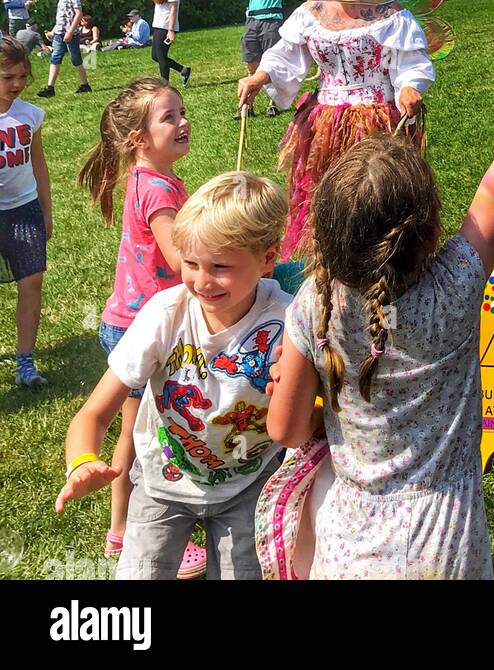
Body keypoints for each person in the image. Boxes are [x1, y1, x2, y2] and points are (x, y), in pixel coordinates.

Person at [265, 0, 494, 579]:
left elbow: (282, 427)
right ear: (428, 221)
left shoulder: (313, 304)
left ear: (324, 230)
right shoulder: (455, 289)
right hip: (444, 553)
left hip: (346, 555)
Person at [55, 172, 291, 580]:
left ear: (268, 258)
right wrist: (81, 461)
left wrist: (298, 389)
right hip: (162, 480)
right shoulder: (166, 315)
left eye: (220, 266)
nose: (201, 280)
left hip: (248, 485)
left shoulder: (290, 320)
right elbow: (93, 413)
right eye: (190, 263)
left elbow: (318, 413)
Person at [237, 0, 436, 260]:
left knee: (374, 193)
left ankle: (380, 260)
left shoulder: (388, 13)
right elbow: (286, 54)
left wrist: (409, 87)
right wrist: (261, 76)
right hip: (324, 123)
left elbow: (409, 62)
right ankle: (327, 263)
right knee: (324, 194)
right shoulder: (311, 11)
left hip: (377, 122)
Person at [76, 76, 206, 578]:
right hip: (140, 330)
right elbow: (177, 258)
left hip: (130, 321)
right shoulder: (156, 190)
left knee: (139, 431)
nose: (182, 122)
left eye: (181, 111)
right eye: (169, 117)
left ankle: (125, 526)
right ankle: (124, 530)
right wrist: (220, 247)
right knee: (134, 435)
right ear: (138, 139)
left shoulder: (146, 177)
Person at [0, 36, 53, 388]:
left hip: (25, 209)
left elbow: (39, 163)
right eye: (8, 77)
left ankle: (25, 362)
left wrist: (46, 211)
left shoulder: (30, 115)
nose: (17, 84)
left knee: (32, 280)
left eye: (22, 76)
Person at [233, 0, 296, 120]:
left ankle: (272, 104)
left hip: (272, 20)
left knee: (272, 64)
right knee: (251, 64)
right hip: (253, 20)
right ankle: (247, 106)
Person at [37, 0, 91, 98]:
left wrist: (70, 32)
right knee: (55, 57)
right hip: (59, 33)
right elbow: (61, 17)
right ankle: (50, 88)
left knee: (76, 59)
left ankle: (85, 85)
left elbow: (78, 14)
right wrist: (53, 30)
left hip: (70, 33)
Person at [150, 0, 191, 86]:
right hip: (158, 25)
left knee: (161, 56)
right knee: (155, 56)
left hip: (166, 27)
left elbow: (173, 11)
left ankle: (164, 85)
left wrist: (170, 30)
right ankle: (184, 70)